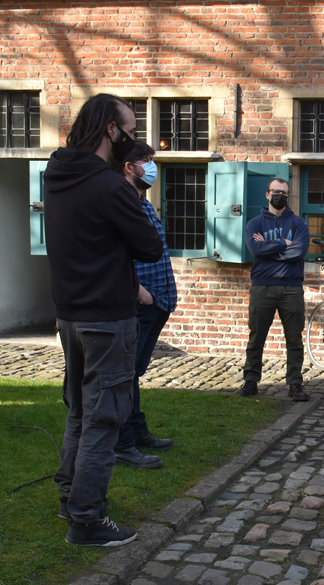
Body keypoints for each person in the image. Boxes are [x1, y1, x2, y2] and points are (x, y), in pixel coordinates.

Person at [44, 94, 163, 546]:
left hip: (69, 316)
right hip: (107, 319)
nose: (134, 145)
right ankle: (87, 519)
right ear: (111, 130)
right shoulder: (110, 187)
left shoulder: (58, 175)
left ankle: (69, 497)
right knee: (104, 419)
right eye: (130, 131)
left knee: (79, 411)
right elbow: (150, 246)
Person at [113, 141, 176, 469]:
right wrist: (139, 291)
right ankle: (123, 443)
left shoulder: (143, 202)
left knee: (133, 373)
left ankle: (138, 432)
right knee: (125, 374)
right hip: (140, 303)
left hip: (157, 302)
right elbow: (115, 254)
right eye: (145, 160)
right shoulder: (122, 204)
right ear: (128, 167)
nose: (151, 166)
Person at [238, 178, 310, 402]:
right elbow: (256, 250)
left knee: (294, 340)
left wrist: (271, 249)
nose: (280, 196)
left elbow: (298, 252)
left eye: (284, 193)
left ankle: (295, 384)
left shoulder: (299, 224)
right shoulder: (255, 224)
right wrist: (283, 243)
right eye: (276, 192)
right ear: (267, 195)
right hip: (262, 287)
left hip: (291, 288)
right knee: (256, 336)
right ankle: (251, 381)